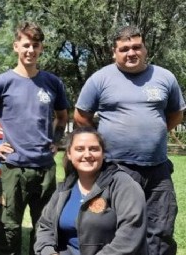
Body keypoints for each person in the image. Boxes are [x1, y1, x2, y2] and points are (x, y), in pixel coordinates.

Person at [74, 25, 185, 255]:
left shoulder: (165, 77)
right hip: (116, 168)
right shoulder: (100, 79)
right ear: (114, 52)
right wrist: (99, 144)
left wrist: (155, 132)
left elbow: (176, 114)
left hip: (158, 171)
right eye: (124, 49)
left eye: (137, 47)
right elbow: (81, 116)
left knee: (161, 228)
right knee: (113, 226)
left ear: (145, 49)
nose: (131, 53)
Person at [0, 21, 69, 255]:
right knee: (9, 227)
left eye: (35, 45)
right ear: (16, 46)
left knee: (45, 226)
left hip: (45, 169)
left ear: (41, 49)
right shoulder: (1, 83)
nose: (30, 50)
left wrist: (57, 140)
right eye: (26, 45)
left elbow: (63, 117)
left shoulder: (52, 83)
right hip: (13, 168)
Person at [34, 127, 148, 255]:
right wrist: (49, 252)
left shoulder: (123, 185)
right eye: (80, 149)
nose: (87, 154)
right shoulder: (65, 188)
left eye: (93, 149)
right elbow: (45, 226)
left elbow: (130, 234)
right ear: (70, 154)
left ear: (103, 153)